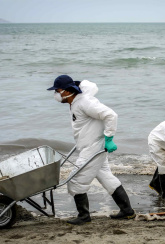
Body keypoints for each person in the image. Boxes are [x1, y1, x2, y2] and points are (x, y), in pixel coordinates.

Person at [47, 75, 135, 225]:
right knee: (106, 177)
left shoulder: (84, 102)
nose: (55, 94)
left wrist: (109, 138)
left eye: (58, 90)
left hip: (94, 148)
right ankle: (127, 211)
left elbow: (110, 115)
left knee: (75, 180)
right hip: (89, 146)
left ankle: (84, 216)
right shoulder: (74, 102)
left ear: (67, 91)